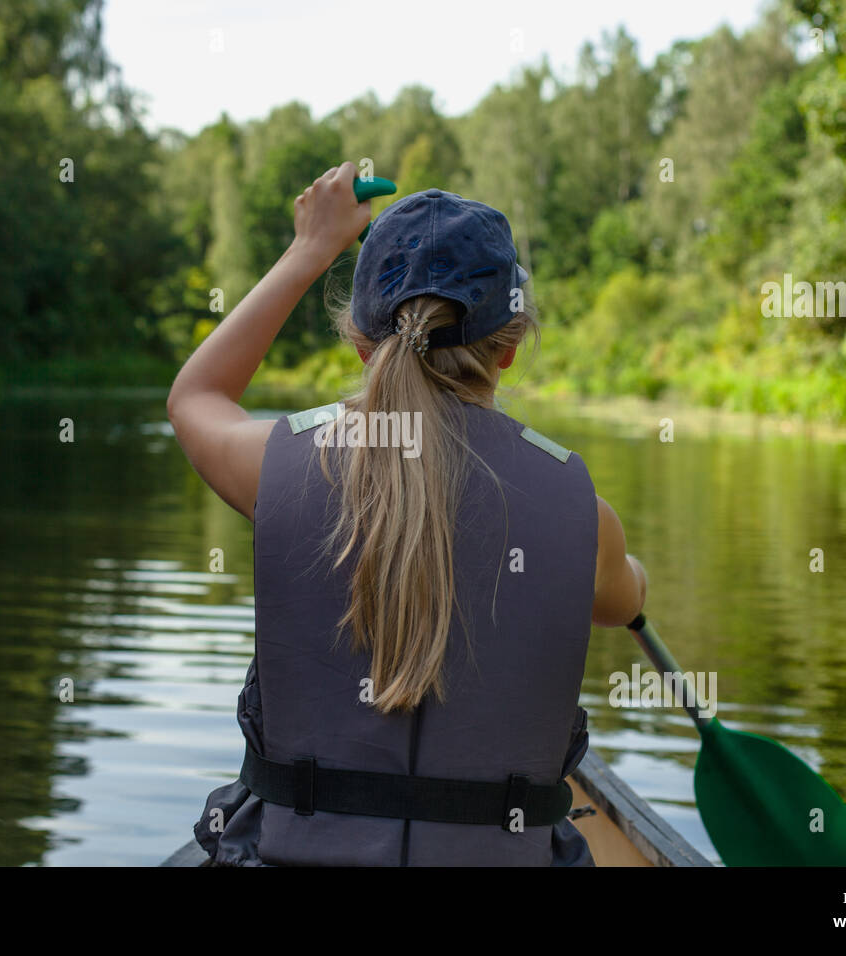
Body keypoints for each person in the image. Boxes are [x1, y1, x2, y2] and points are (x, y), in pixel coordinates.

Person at [168, 161, 647, 866]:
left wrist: (312, 248)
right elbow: (624, 596)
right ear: (510, 346)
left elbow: (194, 398)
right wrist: (626, 571)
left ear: (360, 343)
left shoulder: (281, 467)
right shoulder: (585, 516)